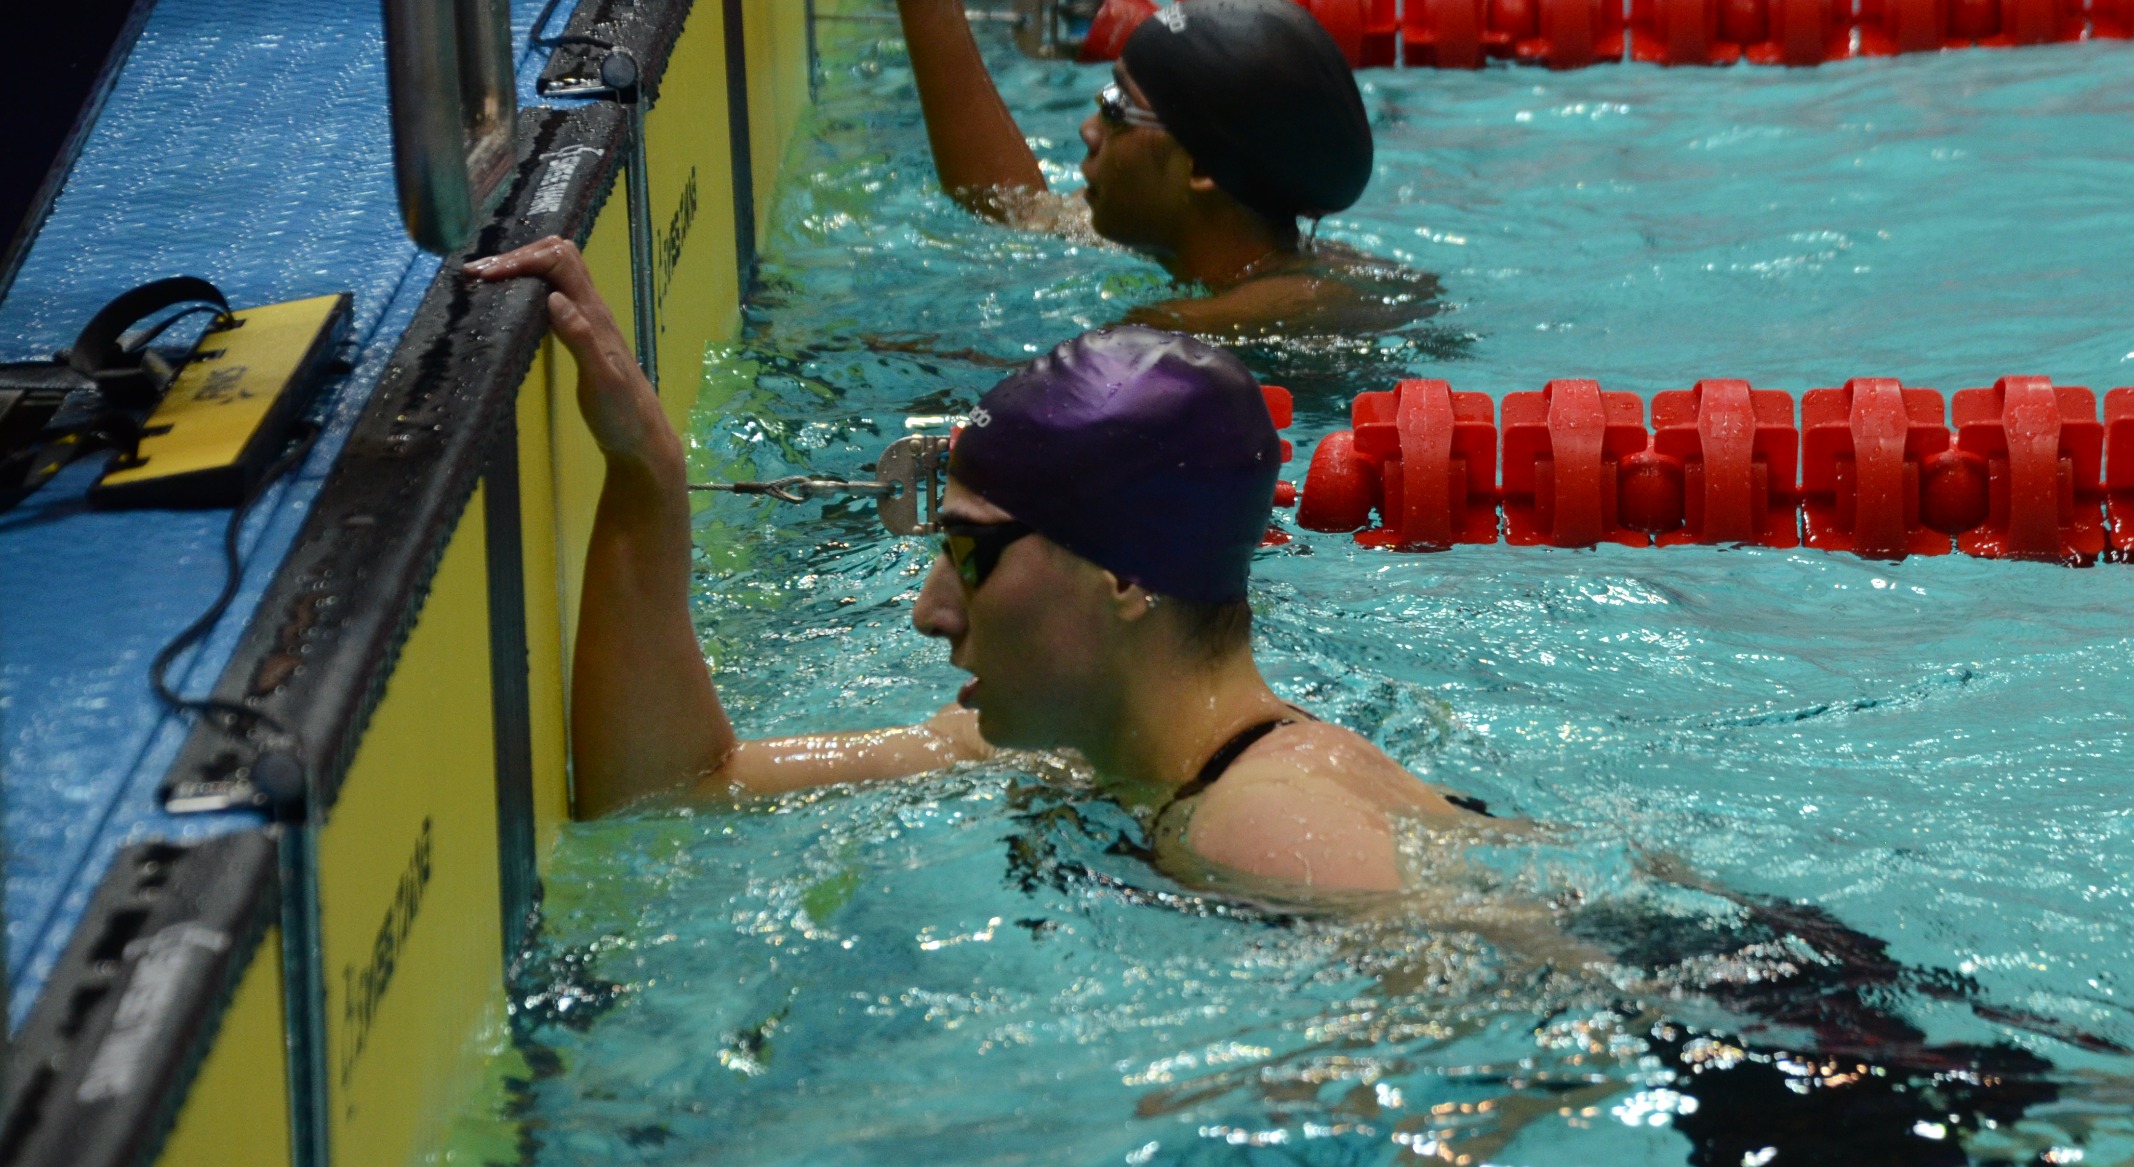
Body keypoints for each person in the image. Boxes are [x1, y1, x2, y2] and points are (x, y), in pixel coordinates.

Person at [465, 236, 1479, 897]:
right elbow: (669, 791)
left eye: (969, 554)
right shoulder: (1071, 749)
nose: (929, 612)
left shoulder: (1261, 823)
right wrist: (648, 474)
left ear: (1124, 576)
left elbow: (1523, 1008)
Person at [852, 0, 1429, 338]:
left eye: (1114, 108)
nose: (1086, 128)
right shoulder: (1225, 236)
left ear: (1200, 166)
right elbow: (1016, 209)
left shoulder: (1211, 322)